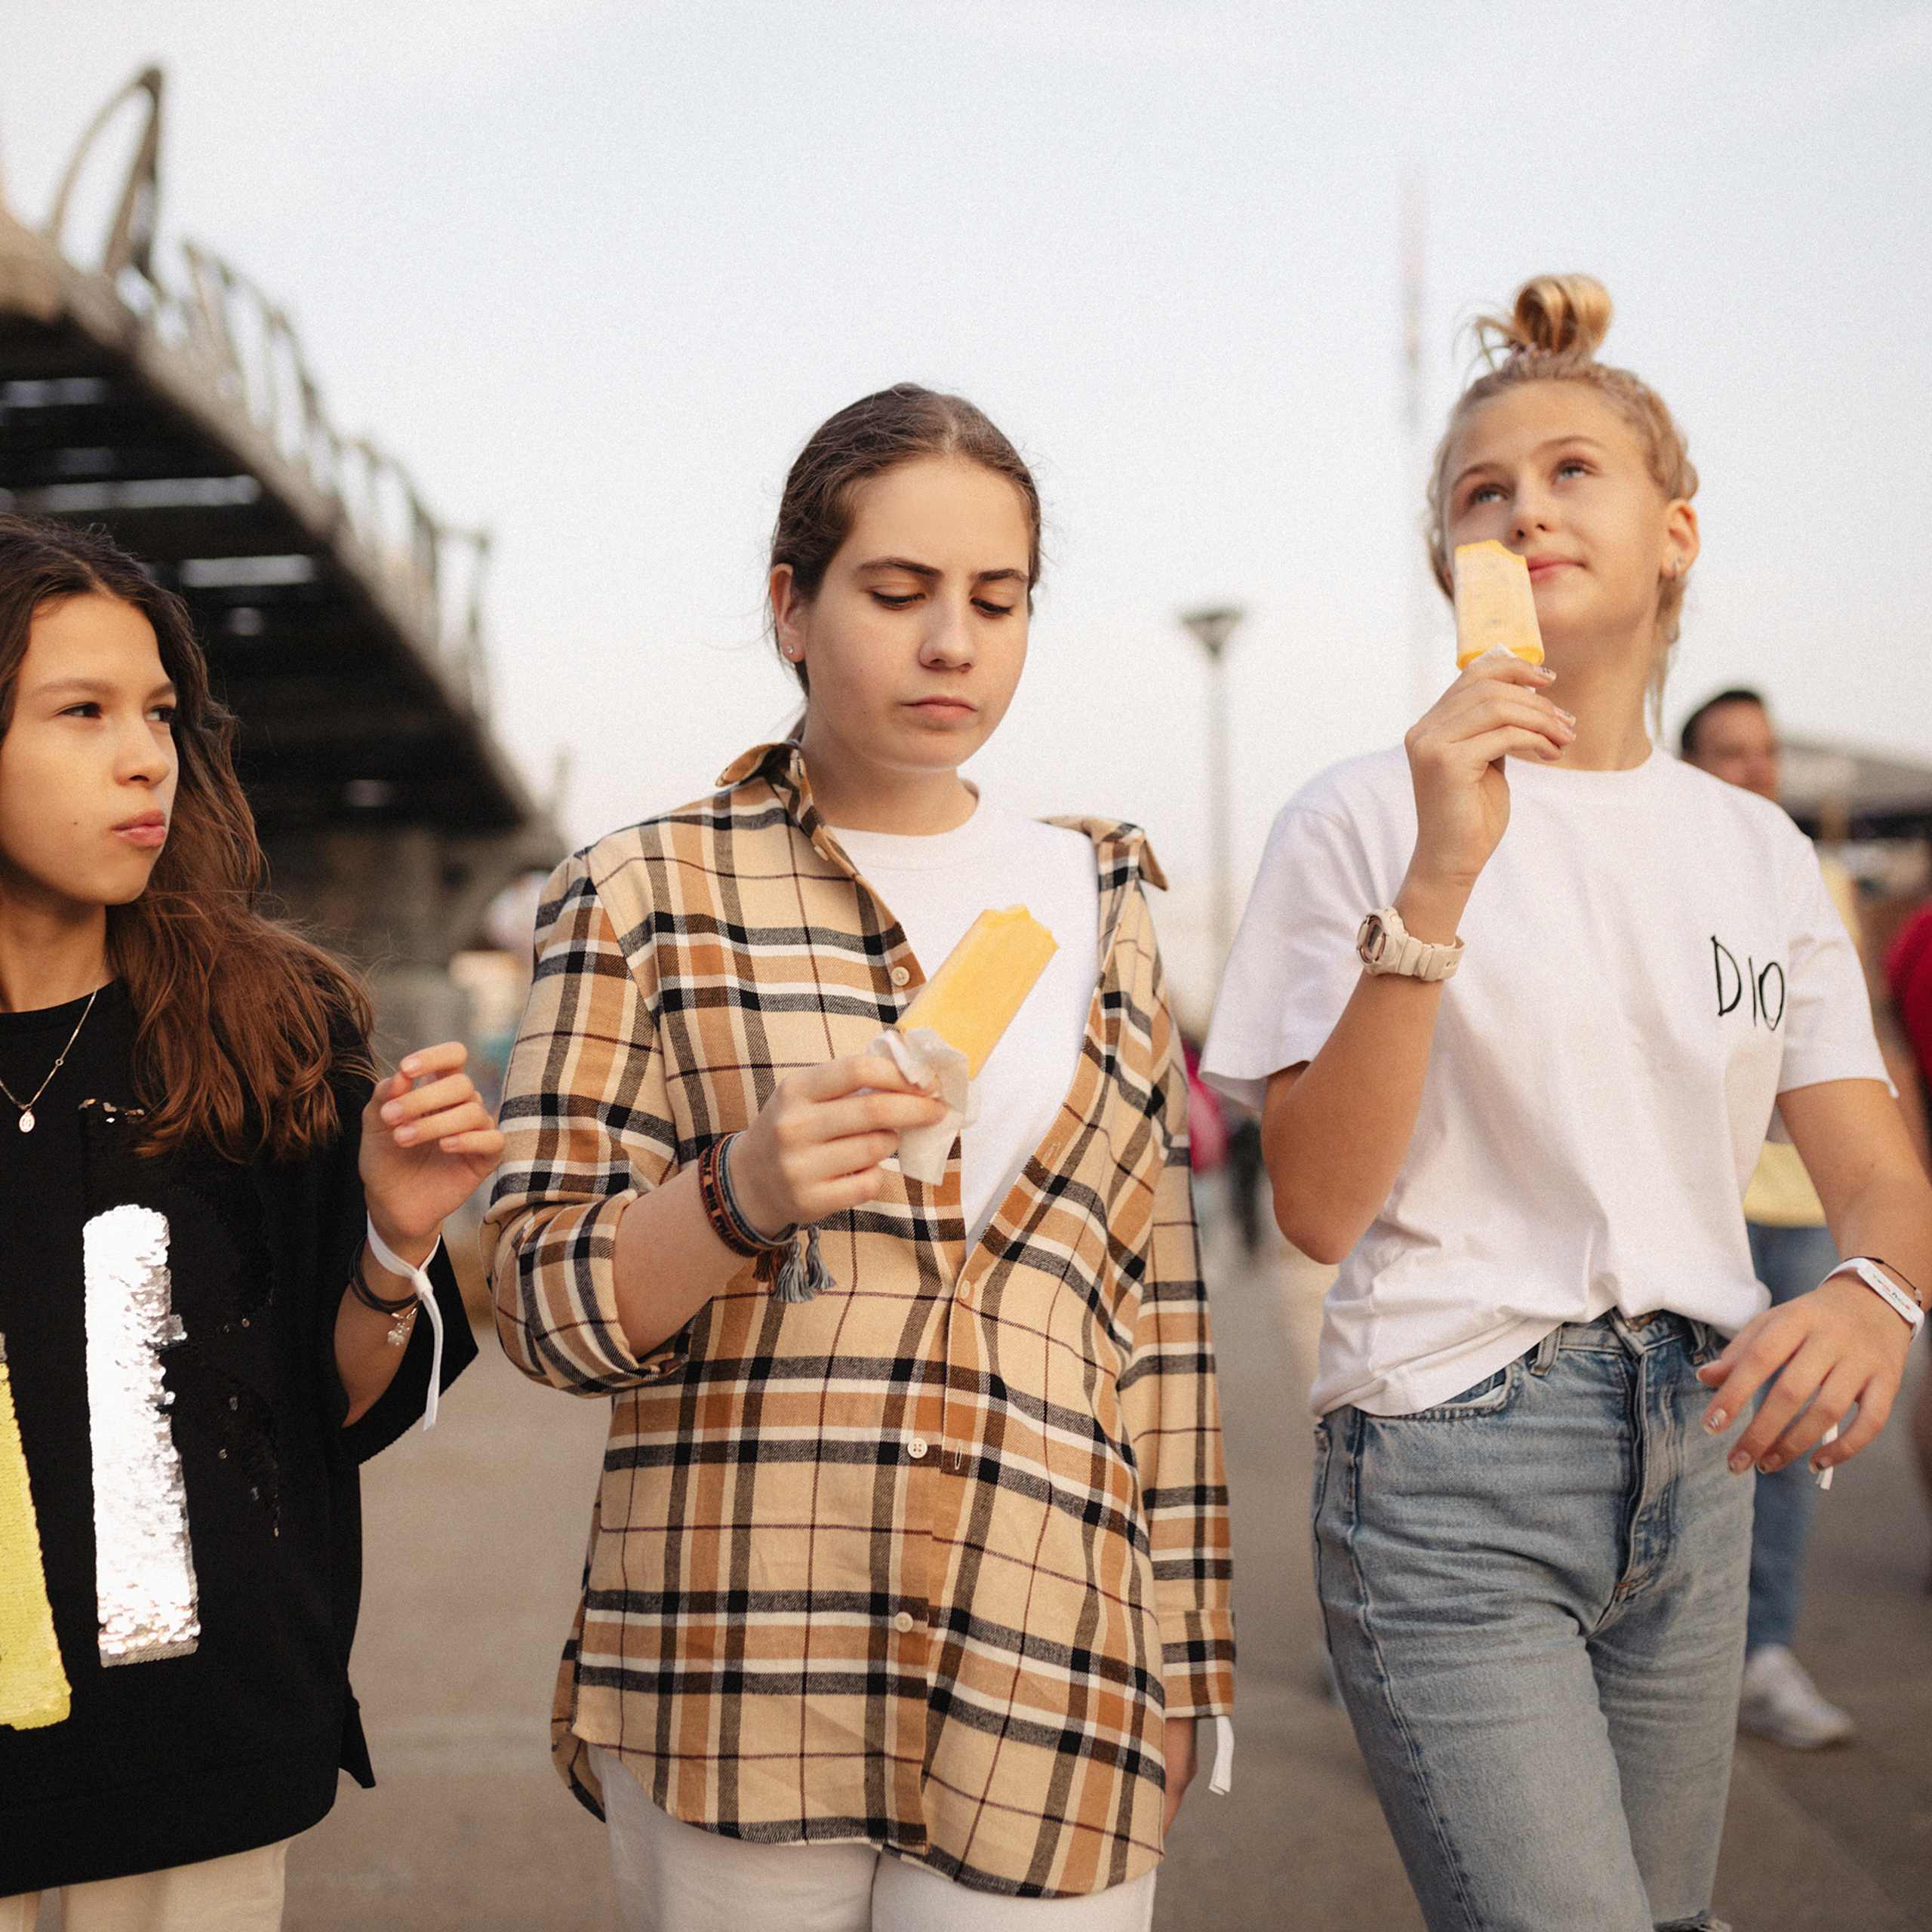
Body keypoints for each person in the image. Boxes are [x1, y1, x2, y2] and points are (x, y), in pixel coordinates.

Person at [1203, 275, 1930, 1932]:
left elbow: (1879, 1174)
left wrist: (1876, 1294)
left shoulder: (1753, 849)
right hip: (1448, 1457)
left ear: (1673, 532)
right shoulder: (1353, 814)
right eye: (1480, 490)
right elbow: (1314, 1202)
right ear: (1443, 556)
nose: (1522, 504)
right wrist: (1440, 867)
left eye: (1567, 471)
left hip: (1697, 1448)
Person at [485, 384, 1233, 1930]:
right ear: (791, 606)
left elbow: (1152, 1312)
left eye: (996, 598)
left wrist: (1182, 1659)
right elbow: (542, 1306)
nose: (951, 641)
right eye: (896, 592)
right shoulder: (637, 890)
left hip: (1052, 1646)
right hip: (733, 1664)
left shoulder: (1105, 902)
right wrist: (739, 1188)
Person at [0, 515, 498, 1930]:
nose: (144, 754)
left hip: (198, 1768)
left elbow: (329, 1408)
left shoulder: (267, 1030)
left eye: (158, 712)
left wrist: (394, 1250)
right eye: (80, 712)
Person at [1679, 686, 1859, 1746]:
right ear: (1691, 764)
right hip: (1704, 1206)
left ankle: (1764, 1656)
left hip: (1807, 1212)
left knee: (1794, 1440)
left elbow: (1863, 1046)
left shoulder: (1810, 874)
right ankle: (1680, 1665)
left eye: (1767, 751)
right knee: (1691, 1443)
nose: (1756, 770)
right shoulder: (1668, 871)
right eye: (1731, 753)